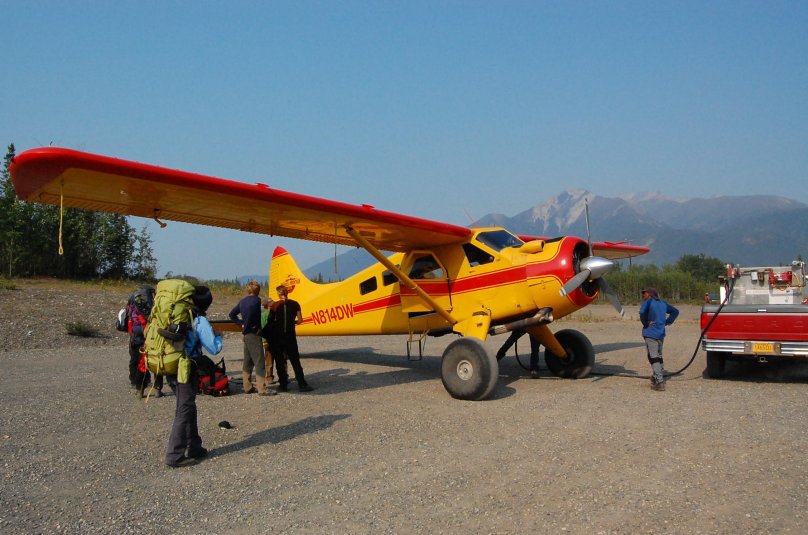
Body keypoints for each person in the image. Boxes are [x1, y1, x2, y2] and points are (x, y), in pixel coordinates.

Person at [165, 285, 223, 468]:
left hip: (169, 364)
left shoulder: (173, 314)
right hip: (186, 368)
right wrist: (219, 336)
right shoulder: (198, 320)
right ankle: (174, 455)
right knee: (184, 409)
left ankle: (194, 446)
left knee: (188, 406)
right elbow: (214, 348)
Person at [229, 280, 273, 396]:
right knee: (259, 361)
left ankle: (247, 386)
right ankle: (262, 388)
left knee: (248, 361)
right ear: (257, 291)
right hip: (254, 333)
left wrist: (241, 323)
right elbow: (253, 314)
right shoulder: (257, 301)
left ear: (248, 290)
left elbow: (232, 314)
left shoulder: (242, 301)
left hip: (245, 334)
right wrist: (254, 326)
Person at [268, 285, 313, 392]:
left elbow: (270, 322)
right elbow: (300, 320)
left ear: (279, 294)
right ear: (287, 293)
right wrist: (293, 322)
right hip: (290, 336)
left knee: (280, 361)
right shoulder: (295, 304)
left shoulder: (274, 305)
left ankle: (283, 385)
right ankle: (302, 384)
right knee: (295, 360)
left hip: (279, 337)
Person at [639, 287, 679, 391]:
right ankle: (656, 375)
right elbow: (675, 311)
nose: (643, 295)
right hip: (661, 333)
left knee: (653, 356)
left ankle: (659, 382)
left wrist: (645, 323)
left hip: (650, 333)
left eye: (644, 293)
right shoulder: (663, 303)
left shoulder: (648, 302)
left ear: (649, 294)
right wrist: (667, 322)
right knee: (658, 355)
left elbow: (642, 312)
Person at [127, 286, 164, 398]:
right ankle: (158, 389)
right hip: (153, 337)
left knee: (140, 363)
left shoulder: (134, 302)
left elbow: (129, 319)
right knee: (156, 361)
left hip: (137, 337)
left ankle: (140, 389)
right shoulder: (155, 303)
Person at [260, 297, 277, 385]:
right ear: (267, 306)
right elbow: (262, 328)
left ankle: (284, 376)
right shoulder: (263, 316)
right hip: (269, 340)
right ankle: (269, 377)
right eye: (271, 305)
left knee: (282, 359)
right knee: (269, 360)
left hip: (277, 339)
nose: (273, 306)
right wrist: (264, 341)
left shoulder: (276, 313)